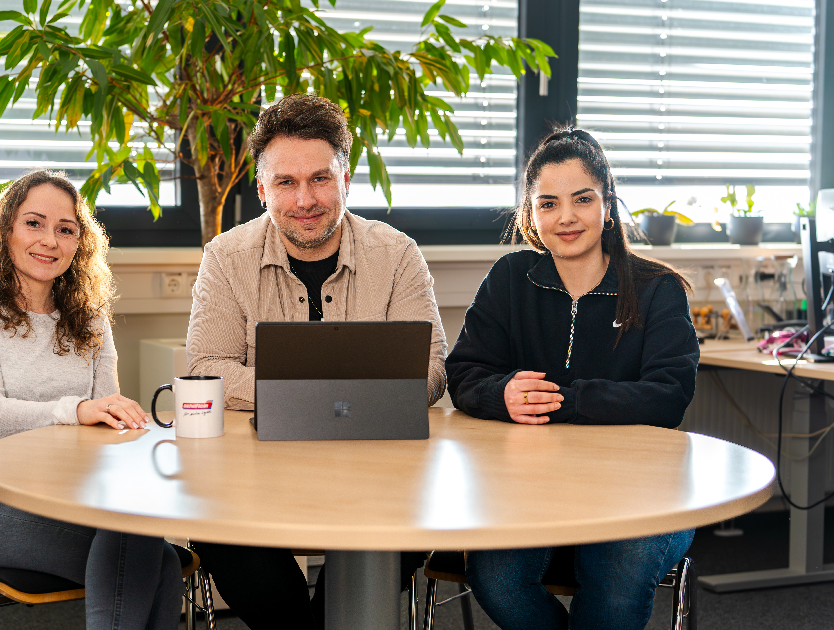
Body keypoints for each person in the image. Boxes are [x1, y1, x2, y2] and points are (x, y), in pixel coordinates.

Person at [186, 93, 448, 629]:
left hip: (379, 472)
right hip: (255, 471)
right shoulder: (225, 257)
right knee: (216, 529)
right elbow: (207, 367)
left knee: (397, 531)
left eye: (320, 179)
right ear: (263, 190)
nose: (305, 199)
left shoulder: (398, 254)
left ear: (345, 180)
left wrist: (299, 392)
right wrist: (329, 393)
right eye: (286, 182)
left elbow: (431, 369)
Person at [445, 128, 699, 630]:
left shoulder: (657, 289)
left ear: (607, 205)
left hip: (640, 487)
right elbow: (465, 372)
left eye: (582, 199)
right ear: (531, 214)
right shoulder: (509, 279)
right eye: (548, 203)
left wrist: (566, 401)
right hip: (530, 486)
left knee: (617, 579)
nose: (566, 217)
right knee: (496, 577)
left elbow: (669, 396)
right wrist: (501, 394)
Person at [0, 170, 183, 630]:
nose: (49, 240)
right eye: (33, 223)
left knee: (147, 546)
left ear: (79, 244)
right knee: (149, 557)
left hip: (71, 487)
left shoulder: (90, 319)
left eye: (65, 229)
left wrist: (119, 421)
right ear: (5, 229)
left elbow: (105, 421)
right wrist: (77, 410)